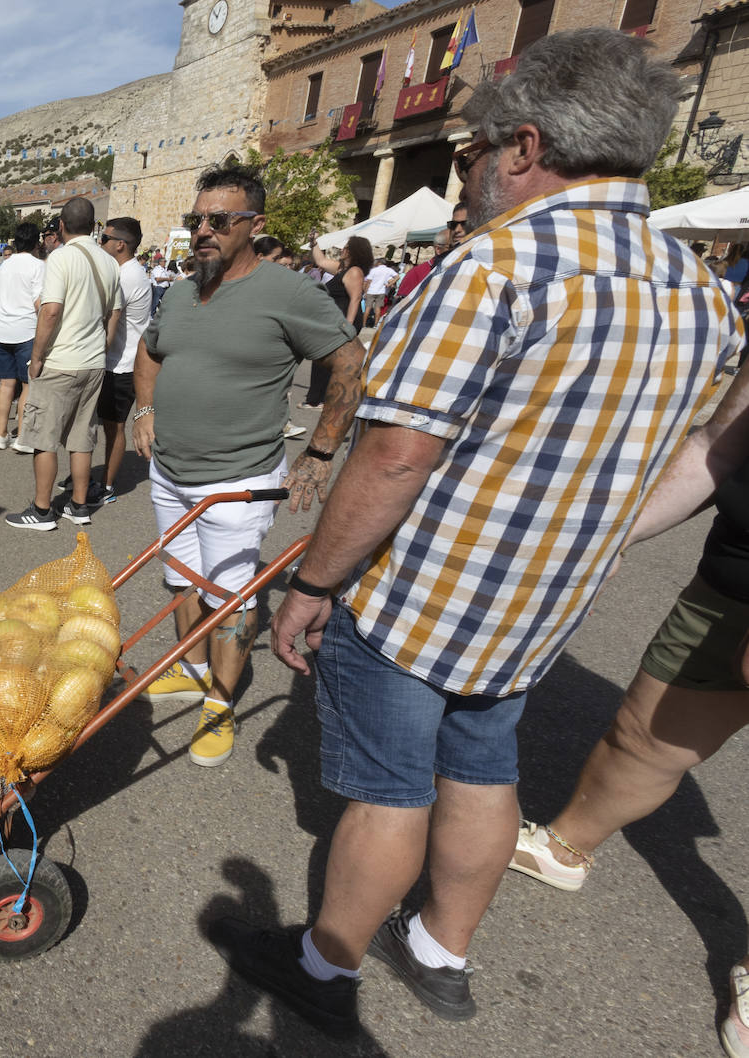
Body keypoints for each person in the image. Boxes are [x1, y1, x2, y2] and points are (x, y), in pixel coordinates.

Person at [212, 29, 745, 1038]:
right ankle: (441, 952)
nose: (474, 171)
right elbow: (689, 456)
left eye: (476, 150)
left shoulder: (494, 268)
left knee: (390, 789)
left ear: (525, 146)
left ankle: (326, 965)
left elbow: (395, 456)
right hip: (539, 601)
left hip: (424, 588)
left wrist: (315, 583)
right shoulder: (700, 288)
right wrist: (595, 536)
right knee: (484, 769)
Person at [505, 373, 749, 1051]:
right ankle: (564, 848)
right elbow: (717, 448)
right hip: (732, 579)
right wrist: (615, 535)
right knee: (647, 733)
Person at [131, 163, 365, 766]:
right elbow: (148, 350)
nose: (202, 231)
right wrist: (146, 408)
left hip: (238, 480)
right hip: (170, 472)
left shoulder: (286, 292)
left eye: (218, 220)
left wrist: (319, 450)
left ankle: (219, 704)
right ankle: (192, 666)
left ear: (253, 225)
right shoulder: (182, 290)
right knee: (182, 580)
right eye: (195, 220)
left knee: (231, 597)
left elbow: (348, 362)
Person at [4, 197, 120, 531]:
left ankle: (42, 511)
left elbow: (50, 311)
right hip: (93, 361)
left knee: (44, 436)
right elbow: (115, 313)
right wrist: (103, 348)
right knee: (82, 437)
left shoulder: (61, 258)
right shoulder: (109, 261)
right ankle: (79, 505)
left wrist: (37, 357)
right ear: (93, 224)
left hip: (61, 360)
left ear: (62, 226)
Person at [95, 216, 152, 503]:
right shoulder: (126, 272)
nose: (100, 242)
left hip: (123, 365)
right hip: (116, 361)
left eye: (103, 239)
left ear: (120, 245)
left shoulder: (127, 276)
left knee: (115, 426)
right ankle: (97, 476)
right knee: (106, 423)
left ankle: (106, 486)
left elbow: (108, 319)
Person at [0, 222, 46, 452]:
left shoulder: (3, 267)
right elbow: (39, 303)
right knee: (27, 385)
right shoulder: (39, 266)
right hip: (26, 330)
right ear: (35, 242)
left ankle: (1, 435)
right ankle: (22, 437)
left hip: (2, 330)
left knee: (5, 384)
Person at [303, 235, 370, 411]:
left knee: (325, 357)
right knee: (322, 357)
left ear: (354, 252)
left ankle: (319, 400)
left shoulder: (354, 272)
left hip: (344, 320)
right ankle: (316, 398)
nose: (342, 250)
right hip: (336, 320)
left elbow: (355, 299)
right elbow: (321, 260)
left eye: (346, 247)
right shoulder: (342, 269)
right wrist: (314, 242)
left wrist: (347, 326)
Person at [362, 256, 397, 324]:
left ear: (379, 263)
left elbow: (368, 282)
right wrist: (389, 285)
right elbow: (396, 277)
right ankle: (375, 324)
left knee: (368, 308)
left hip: (371, 291)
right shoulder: (388, 270)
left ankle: (363, 324)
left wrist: (365, 291)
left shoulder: (374, 270)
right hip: (381, 291)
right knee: (378, 308)